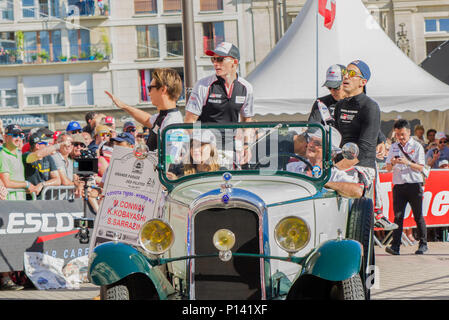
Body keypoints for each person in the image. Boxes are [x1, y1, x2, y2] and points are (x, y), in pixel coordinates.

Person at [105, 68, 183, 152]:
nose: (149, 93)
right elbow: (147, 120)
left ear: (163, 89)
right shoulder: (165, 115)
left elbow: (172, 159)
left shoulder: (173, 122)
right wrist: (124, 106)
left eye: (150, 88)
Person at [385, 119, 427, 255]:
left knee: (418, 216)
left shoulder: (417, 146)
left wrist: (407, 163)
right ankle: (395, 246)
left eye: (402, 134)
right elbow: (387, 169)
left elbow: (421, 167)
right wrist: (392, 162)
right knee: (397, 217)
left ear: (409, 132)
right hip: (398, 185)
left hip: (414, 184)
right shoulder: (393, 147)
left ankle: (423, 244)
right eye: (397, 134)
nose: (400, 137)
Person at [184, 42, 253, 125]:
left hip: (231, 137)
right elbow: (190, 120)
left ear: (234, 62)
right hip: (205, 137)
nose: (215, 63)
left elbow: (247, 121)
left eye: (220, 59)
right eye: (213, 59)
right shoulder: (202, 85)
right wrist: (197, 137)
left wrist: (246, 137)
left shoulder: (246, 87)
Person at [0, 124, 41, 200]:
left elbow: (37, 155)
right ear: (5, 137)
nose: (18, 138)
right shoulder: (3, 155)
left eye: (21, 135)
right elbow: (7, 183)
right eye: (15, 135)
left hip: (20, 200)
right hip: (9, 202)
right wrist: (27, 184)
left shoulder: (19, 153)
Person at [23, 129, 65, 199]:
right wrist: (58, 146)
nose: (48, 145)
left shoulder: (48, 158)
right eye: (45, 144)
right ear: (37, 146)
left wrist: (42, 184)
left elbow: (57, 180)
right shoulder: (26, 156)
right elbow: (37, 155)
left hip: (45, 199)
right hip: (29, 199)